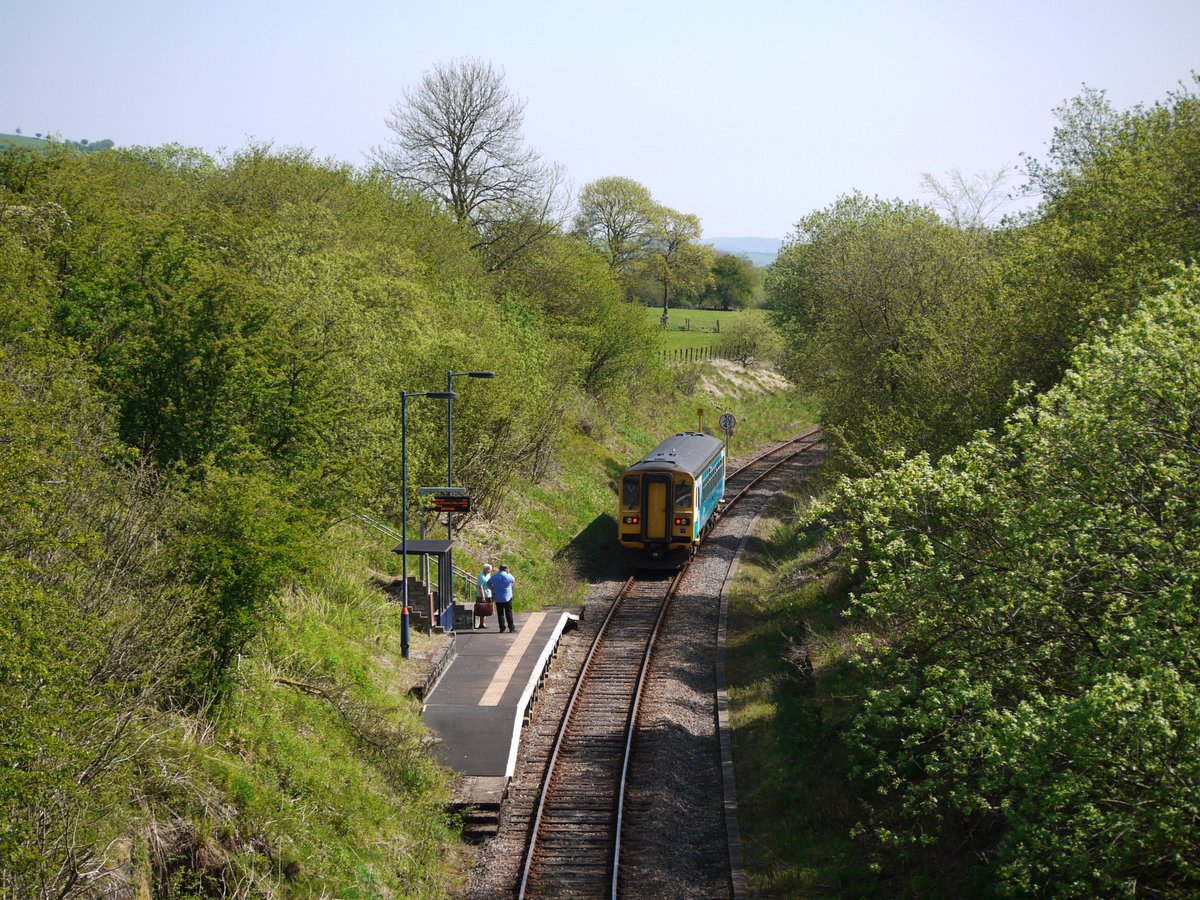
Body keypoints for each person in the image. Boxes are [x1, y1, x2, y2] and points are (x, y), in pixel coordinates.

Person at [487, 564, 516, 633]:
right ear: (506, 569)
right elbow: (513, 580)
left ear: (500, 569)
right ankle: (511, 628)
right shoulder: (508, 576)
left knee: (500, 613)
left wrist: (492, 589)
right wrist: (509, 573)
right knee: (508, 613)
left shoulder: (495, 576)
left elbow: (488, 583)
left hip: (498, 597)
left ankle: (502, 628)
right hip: (507, 597)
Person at [474, 563, 493, 629]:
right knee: (482, 609)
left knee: (486, 609)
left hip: (488, 594)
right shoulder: (481, 576)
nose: (489, 571)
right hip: (482, 595)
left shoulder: (488, 574)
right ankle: (481, 623)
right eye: (488, 570)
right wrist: (483, 597)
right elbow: (480, 587)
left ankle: (482, 623)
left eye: (490, 570)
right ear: (484, 569)